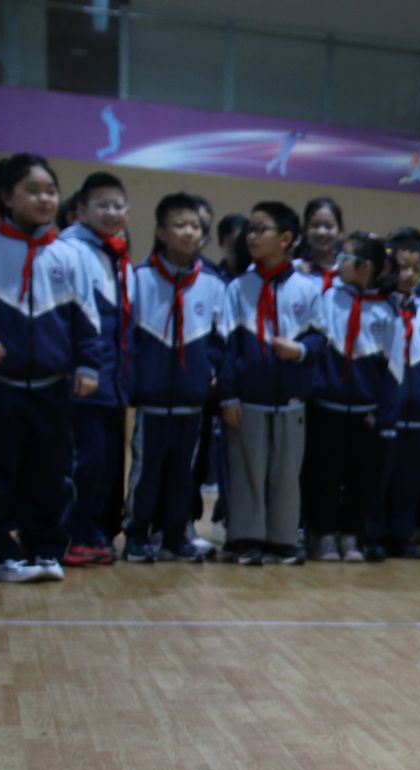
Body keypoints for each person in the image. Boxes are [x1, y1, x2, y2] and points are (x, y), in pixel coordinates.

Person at [0, 153, 105, 583]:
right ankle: (1, 553)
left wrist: (88, 366)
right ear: (6, 196)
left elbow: (87, 319)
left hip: (52, 388)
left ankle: (46, 551)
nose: (44, 199)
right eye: (32, 191)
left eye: (50, 190)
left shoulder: (69, 256)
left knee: (50, 474)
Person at [217, 200, 325, 566]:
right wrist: (228, 395)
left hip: (291, 399)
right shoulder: (238, 288)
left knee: (286, 473)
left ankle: (283, 540)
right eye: (250, 230)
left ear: (285, 239)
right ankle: (246, 538)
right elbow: (228, 347)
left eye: (260, 229)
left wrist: (299, 350)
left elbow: (320, 339)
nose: (252, 236)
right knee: (247, 470)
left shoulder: (307, 288)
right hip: (248, 399)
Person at [123, 193, 224, 563]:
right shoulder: (139, 278)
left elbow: (219, 339)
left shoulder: (212, 283)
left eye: (195, 226)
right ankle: (137, 534)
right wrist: (136, 382)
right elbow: (128, 338)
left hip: (191, 399)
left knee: (184, 473)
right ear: (161, 232)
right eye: (180, 225)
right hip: (151, 400)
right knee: (145, 471)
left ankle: (175, 535)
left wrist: (208, 373)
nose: (189, 232)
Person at [308, 231, 399, 563]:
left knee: (360, 477)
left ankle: (351, 535)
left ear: (366, 267)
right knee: (325, 474)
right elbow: (316, 345)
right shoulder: (328, 297)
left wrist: (384, 413)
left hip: (366, 410)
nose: (338, 264)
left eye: (344, 258)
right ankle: (324, 534)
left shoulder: (387, 310)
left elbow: (394, 369)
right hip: (327, 405)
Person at [59, 171, 133, 565]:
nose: (111, 212)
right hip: (83, 384)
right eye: (102, 205)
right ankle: (71, 535)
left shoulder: (116, 255)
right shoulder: (70, 250)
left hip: (112, 385)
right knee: (83, 464)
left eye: (118, 205)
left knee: (104, 466)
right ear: (81, 210)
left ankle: (91, 533)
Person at [371, 256, 420, 560]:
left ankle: (401, 536)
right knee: (380, 478)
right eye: (402, 268)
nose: (409, 274)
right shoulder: (379, 309)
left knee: (410, 480)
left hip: (418, 413)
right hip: (386, 413)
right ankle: (374, 536)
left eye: (416, 269)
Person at [298, 197, 344, 288]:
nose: (321, 232)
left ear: (340, 232)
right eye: (315, 225)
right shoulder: (294, 270)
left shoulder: (348, 273)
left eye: (328, 226)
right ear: (305, 230)